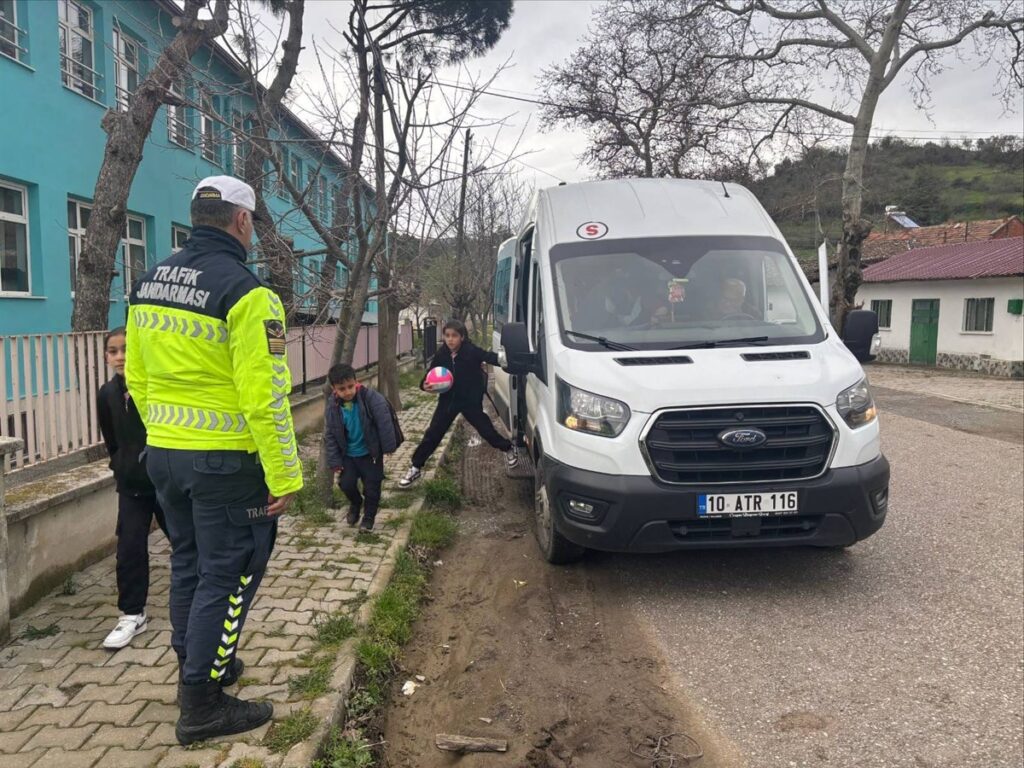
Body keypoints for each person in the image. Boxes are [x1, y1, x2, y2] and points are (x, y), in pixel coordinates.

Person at [125, 176, 303, 746]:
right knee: (229, 576)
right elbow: (264, 396)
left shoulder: (149, 282)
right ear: (242, 222)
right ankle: (201, 704)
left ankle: (201, 664)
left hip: (166, 458)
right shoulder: (249, 293)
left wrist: (166, 439)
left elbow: (136, 377)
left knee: (189, 564)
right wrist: (285, 475)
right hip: (227, 465)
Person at [97, 327, 169, 650]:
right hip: (131, 486)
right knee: (128, 549)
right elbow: (111, 439)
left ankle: (208, 596)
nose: (120, 356)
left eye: (126, 349)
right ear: (106, 357)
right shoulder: (106, 394)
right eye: (113, 351)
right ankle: (132, 613)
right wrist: (122, 465)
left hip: (166, 481)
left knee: (187, 541)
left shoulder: (156, 386)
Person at [399, 320, 517, 487]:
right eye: (447, 336)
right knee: (432, 434)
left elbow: (489, 357)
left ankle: (509, 449)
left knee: (486, 430)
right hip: (448, 402)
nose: (450, 340)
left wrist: (511, 361)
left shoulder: (471, 351)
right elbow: (429, 375)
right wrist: (424, 385)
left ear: (462, 337)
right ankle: (415, 467)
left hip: (470, 401)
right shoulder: (442, 354)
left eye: (454, 336)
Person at [324, 363, 399, 531]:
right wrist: (335, 460)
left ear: (356, 381)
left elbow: (384, 421)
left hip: (370, 454)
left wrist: (388, 446)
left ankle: (369, 518)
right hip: (349, 455)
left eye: (351, 386)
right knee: (346, 484)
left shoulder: (370, 398)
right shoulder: (333, 406)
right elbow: (330, 434)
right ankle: (356, 503)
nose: (348, 391)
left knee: (372, 487)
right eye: (342, 389)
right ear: (333, 388)